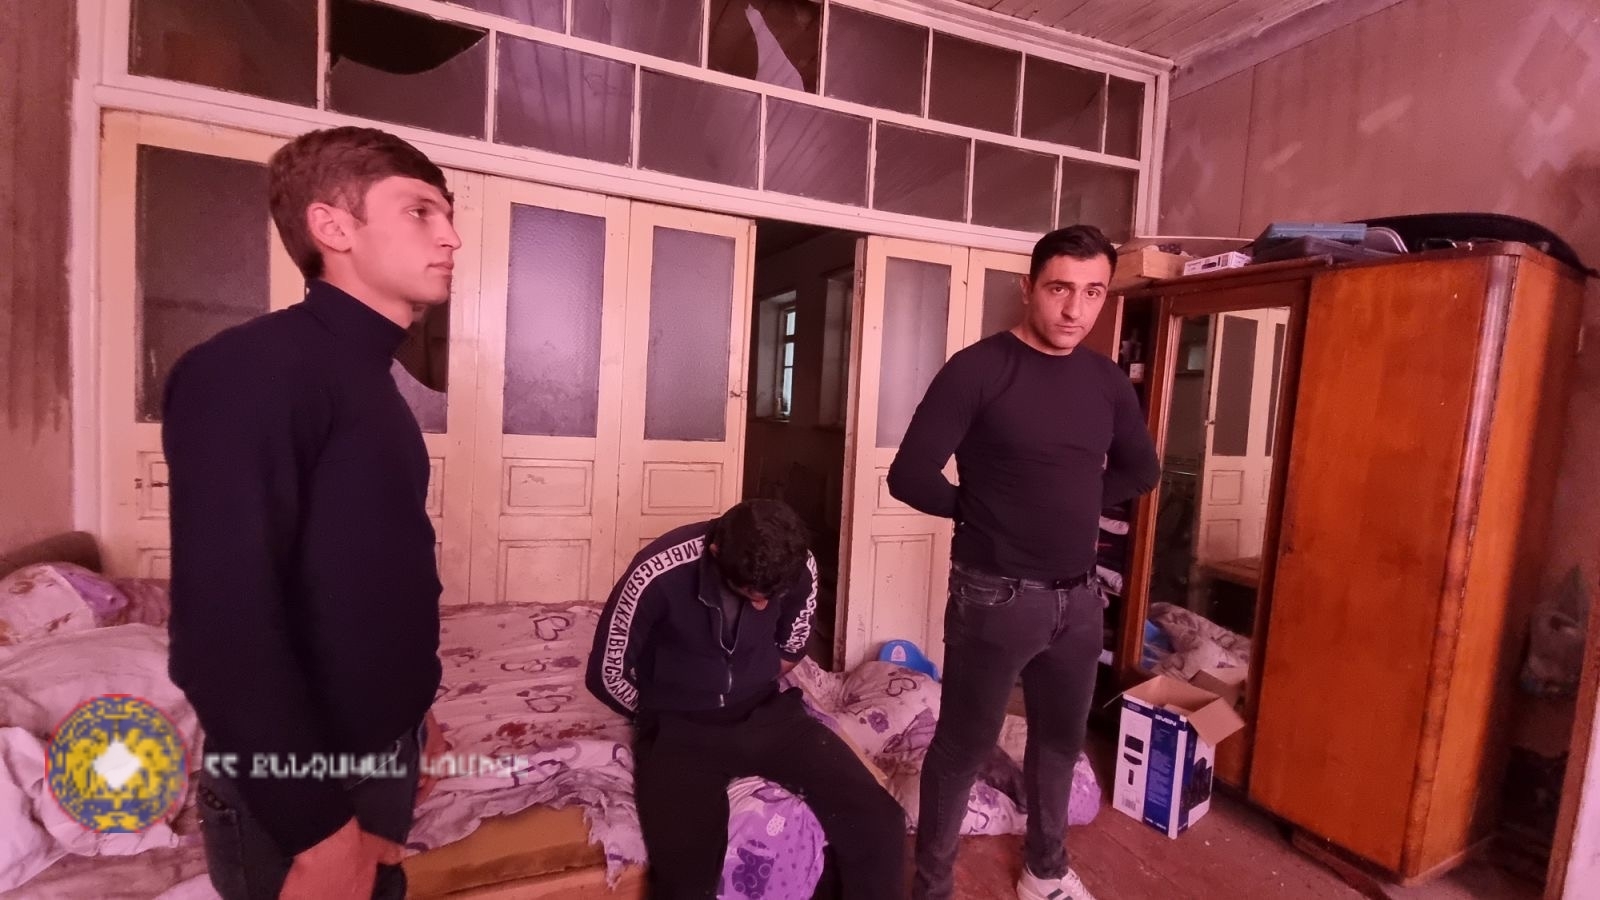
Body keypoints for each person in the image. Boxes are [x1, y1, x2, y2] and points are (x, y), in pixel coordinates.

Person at [162, 126, 460, 900]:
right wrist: (318, 834)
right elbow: (222, 634)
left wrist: (413, 715)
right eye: (420, 212)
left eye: (447, 214)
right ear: (332, 226)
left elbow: (365, 575)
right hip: (305, 787)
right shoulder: (248, 371)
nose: (451, 237)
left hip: (378, 751)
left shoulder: (368, 376)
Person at [888, 225, 1161, 900]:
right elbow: (909, 474)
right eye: (1060, 288)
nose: (1075, 309)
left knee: (1060, 744)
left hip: (1080, 601)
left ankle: (1045, 872)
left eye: (1093, 292)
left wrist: (1073, 500)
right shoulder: (978, 370)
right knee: (963, 746)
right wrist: (984, 510)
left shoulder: (1106, 382)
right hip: (995, 596)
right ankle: (932, 888)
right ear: (1028, 288)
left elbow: (1143, 469)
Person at [585, 499, 907, 899]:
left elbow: (792, 644)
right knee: (685, 882)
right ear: (716, 553)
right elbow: (606, 673)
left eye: (771, 596)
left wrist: (748, 680)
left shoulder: (798, 564)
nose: (761, 606)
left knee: (880, 821)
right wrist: (660, 710)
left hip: (765, 712)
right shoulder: (658, 570)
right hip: (680, 729)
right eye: (751, 594)